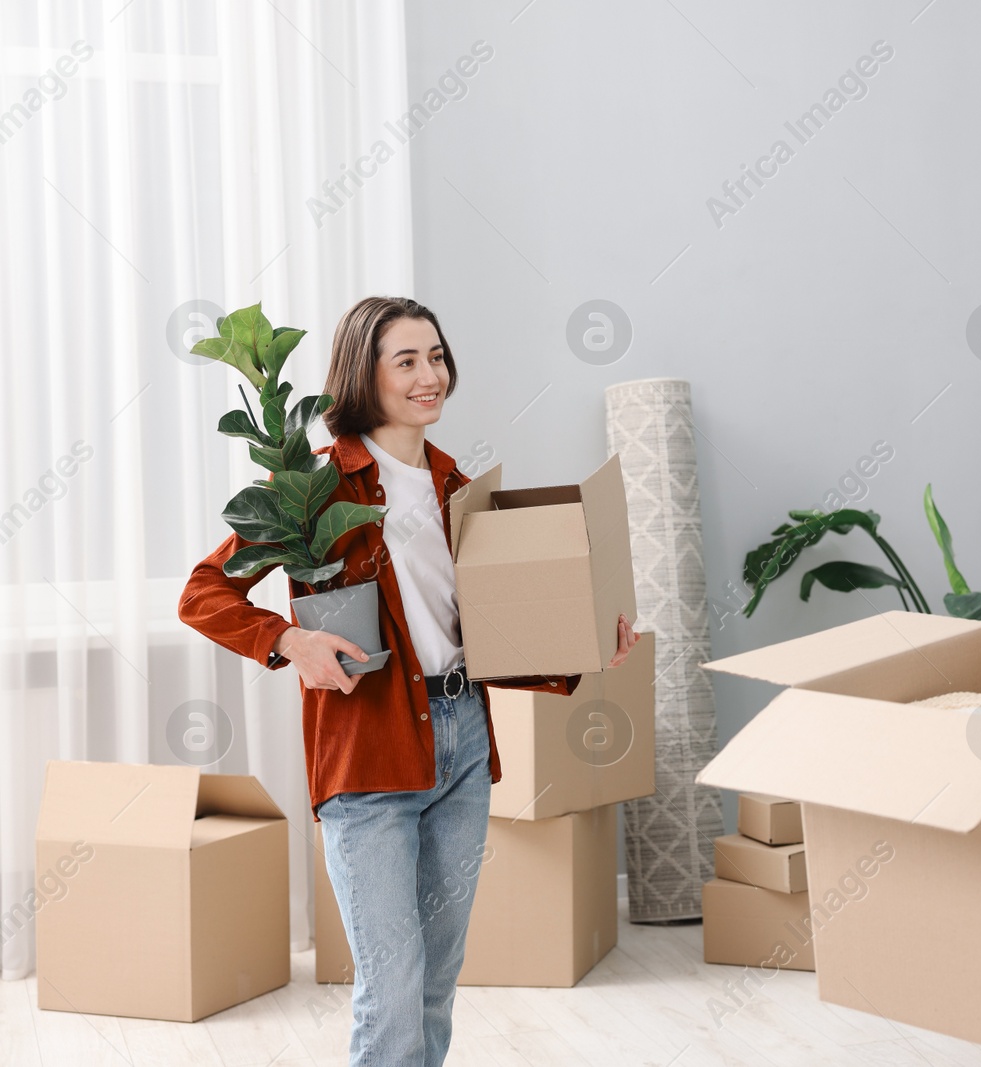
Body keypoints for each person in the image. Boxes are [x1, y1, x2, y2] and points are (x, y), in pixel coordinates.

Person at [178, 295, 640, 1067]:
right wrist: (289, 639)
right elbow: (204, 592)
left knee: (434, 983)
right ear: (365, 373)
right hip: (369, 756)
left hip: (460, 747)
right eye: (408, 360)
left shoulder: (460, 484)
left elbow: (483, 632)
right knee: (392, 990)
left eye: (437, 356)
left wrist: (587, 646)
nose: (431, 375)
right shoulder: (315, 485)